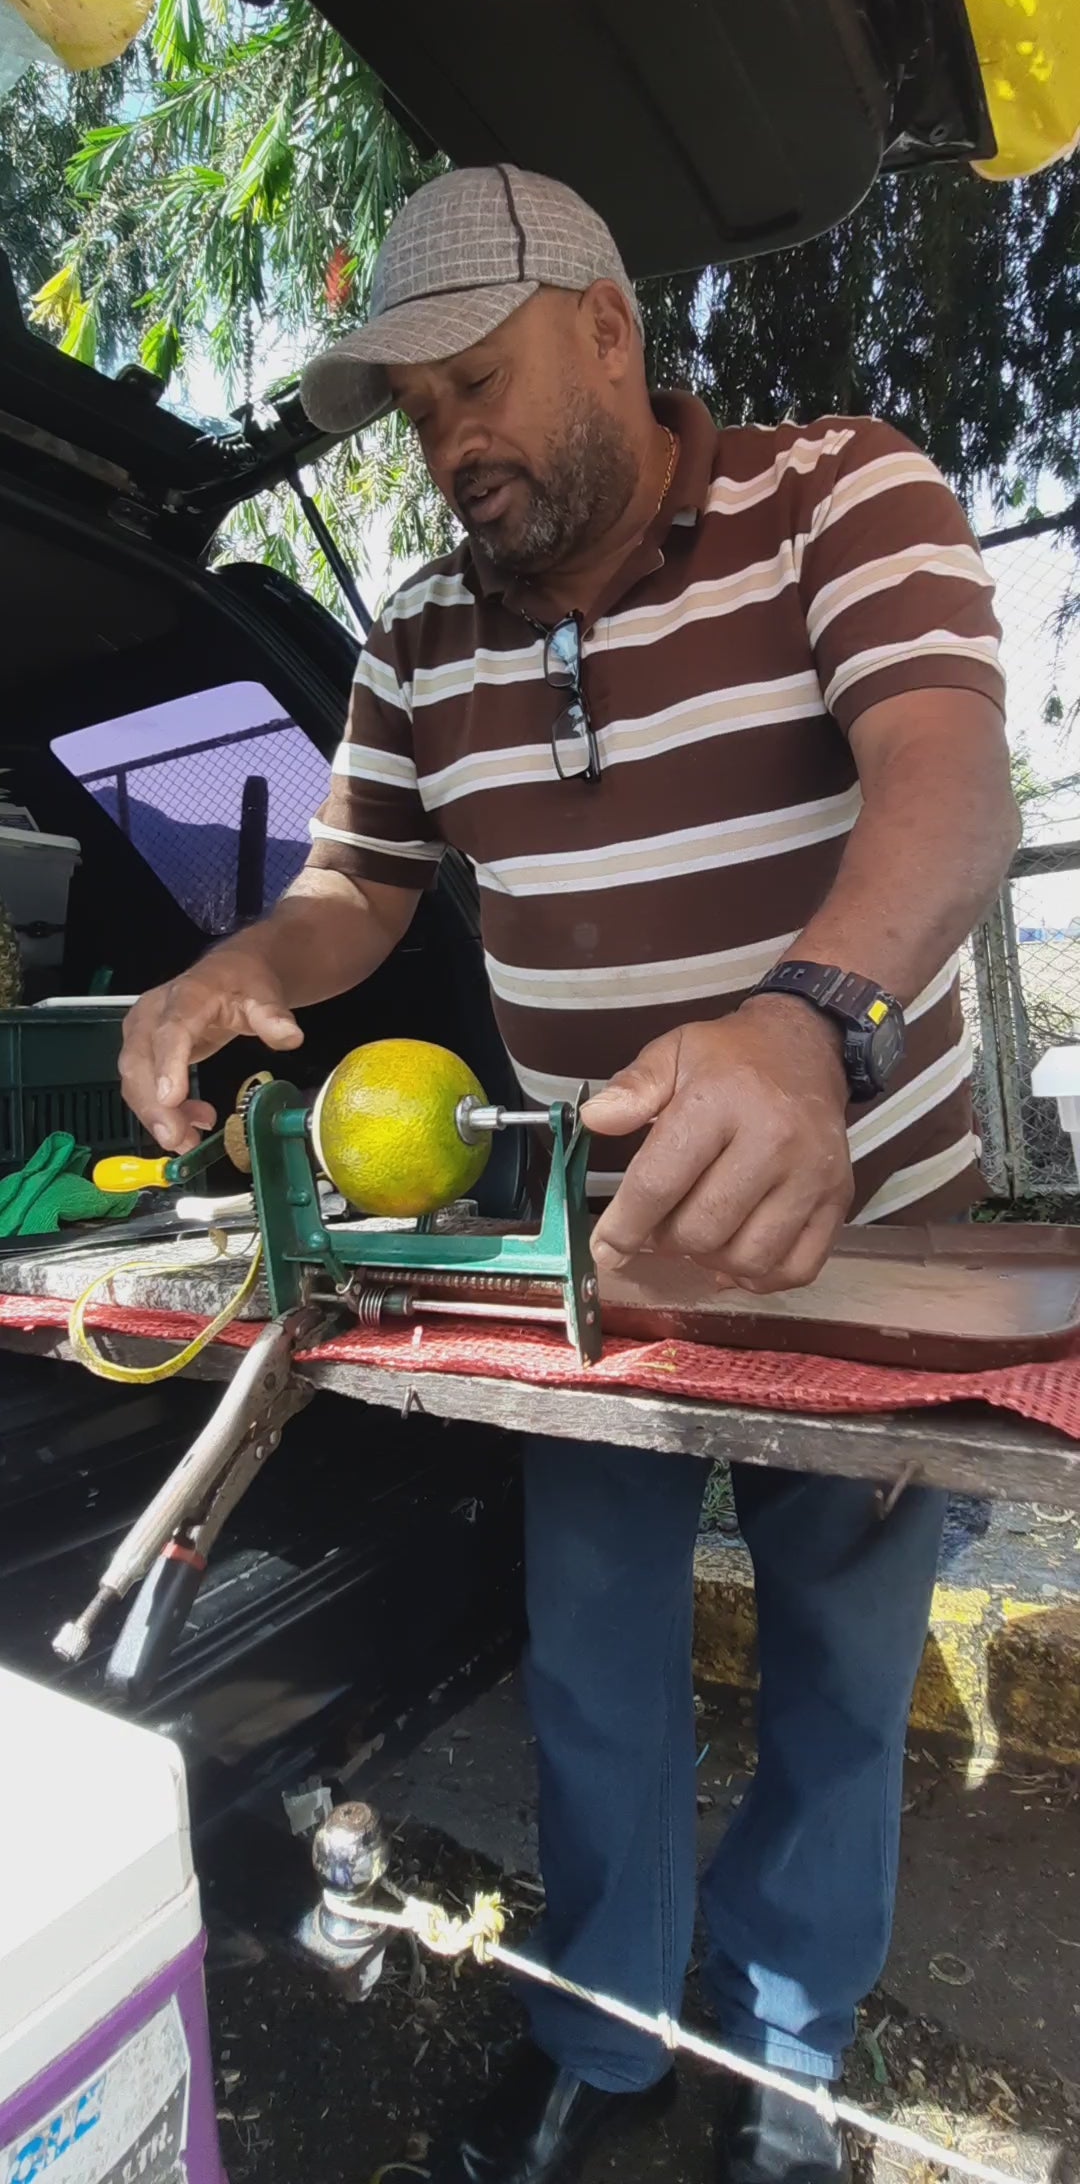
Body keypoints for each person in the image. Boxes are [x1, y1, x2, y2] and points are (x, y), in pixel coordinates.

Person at [120, 166, 1019, 2184]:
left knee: (839, 1681)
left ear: (606, 325)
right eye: (418, 412)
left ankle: (788, 2073)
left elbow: (950, 773)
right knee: (596, 1671)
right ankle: (609, 2043)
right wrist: (244, 966)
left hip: (868, 1238)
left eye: (477, 381)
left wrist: (813, 1020)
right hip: (586, 1258)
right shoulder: (422, 636)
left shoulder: (840, 492)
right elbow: (359, 888)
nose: (449, 442)